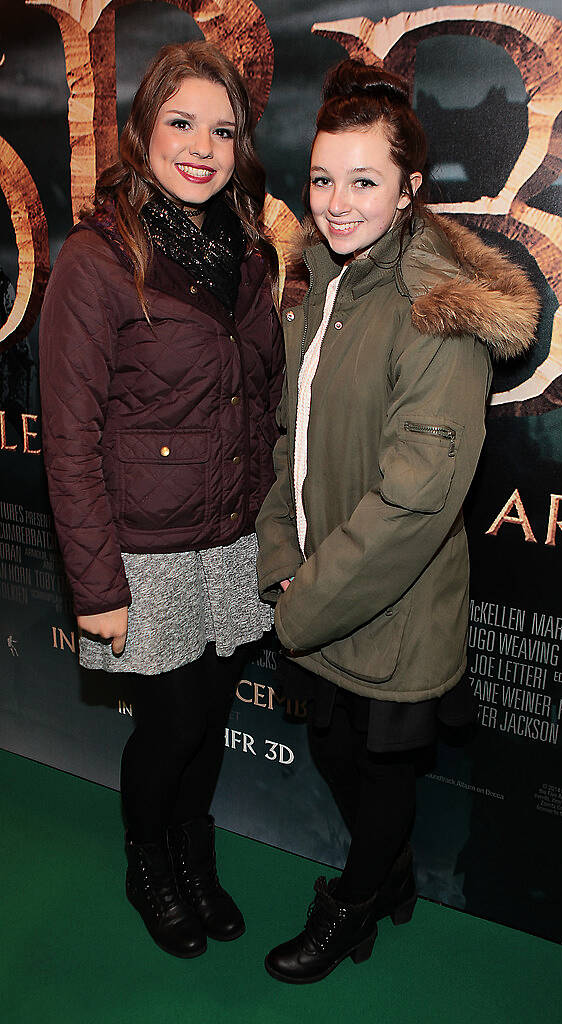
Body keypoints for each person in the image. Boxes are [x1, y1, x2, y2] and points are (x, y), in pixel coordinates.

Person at [256, 59, 539, 984]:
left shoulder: (435, 310)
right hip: (319, 586)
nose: (336, 205)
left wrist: (301, 602)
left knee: (380, 770)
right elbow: (288, 446)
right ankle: (384, 878)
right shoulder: (319, 281)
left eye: (364, 182)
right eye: (322, 180)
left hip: (392, 603)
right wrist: (278, 558)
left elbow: (415, 501)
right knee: (338, 750)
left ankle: (354, 900)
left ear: (410, 188)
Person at [40, 41, 283, 959]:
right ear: (140, 132)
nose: (202, 146)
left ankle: (194, 857)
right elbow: (67, 436)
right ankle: (150, 863)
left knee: (209, 715)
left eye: (222, 129)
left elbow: (259, 399)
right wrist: (96, 583)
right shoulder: (95, 260)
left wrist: (276, 535)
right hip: (141, 546)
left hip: (228, 535)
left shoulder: (248, 246)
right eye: (180, 122)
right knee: (172, 722)